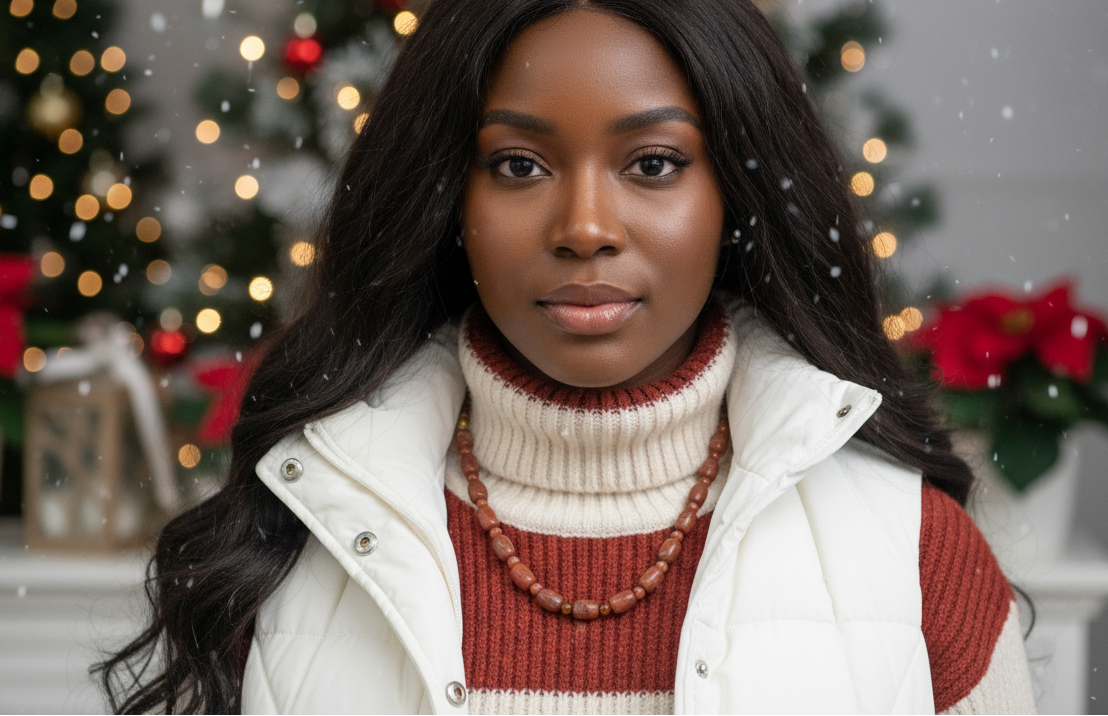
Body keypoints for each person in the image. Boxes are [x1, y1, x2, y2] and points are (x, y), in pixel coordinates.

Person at [98, 0, 1037, 713]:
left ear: (736, 198)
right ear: (447, 204)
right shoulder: (291, 538)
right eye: (519, 165)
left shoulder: (913, 555)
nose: (585, 228)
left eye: (654, 164)